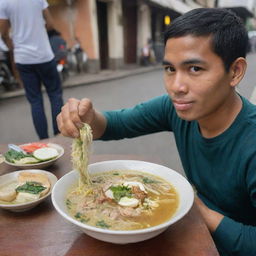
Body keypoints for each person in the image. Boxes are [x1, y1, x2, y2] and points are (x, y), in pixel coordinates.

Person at [56, 8, 256, 256]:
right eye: (170, 69)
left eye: (195, 69)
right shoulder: (175, 108)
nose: (176, 87)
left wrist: (198, 209)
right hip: (192, 231)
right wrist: (86, 119)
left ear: (235, 71)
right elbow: (114, 124)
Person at [0, 0, 63, 139]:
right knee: (55, 95)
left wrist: (12, 45)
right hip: (45, 55)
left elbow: (3, 32)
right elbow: (51, 24)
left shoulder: (4, 2)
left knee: (35, 101)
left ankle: (44, 141)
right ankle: (59, 136)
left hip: (24, 59)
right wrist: (38, 32)